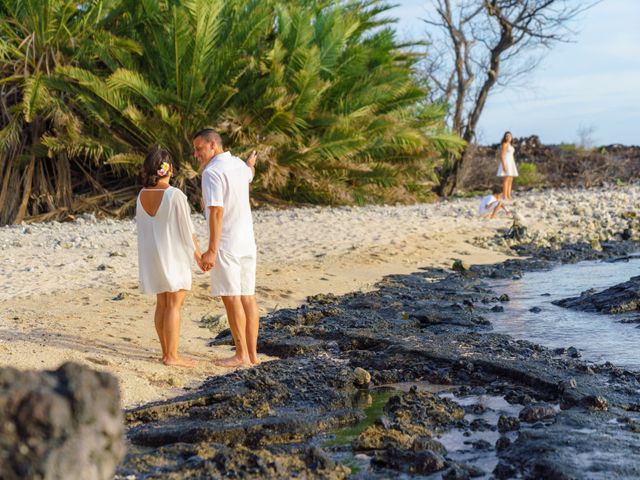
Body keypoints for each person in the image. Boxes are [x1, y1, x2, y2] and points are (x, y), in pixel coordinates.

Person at [192, 128, 260, 367]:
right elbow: (250, 173)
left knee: (232, 300)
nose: (196, 154)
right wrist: (250, 163)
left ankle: (241, 355)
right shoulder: (239, 166)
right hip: (247, 243)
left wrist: (211, 250)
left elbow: (216, 211)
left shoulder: (212, 172)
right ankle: (252, 355)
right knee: (248, 298)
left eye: (199, 148)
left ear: (213, 145)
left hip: (227, 243)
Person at [136, 146, 202, 368]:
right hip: (173, 256)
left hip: (152, 255)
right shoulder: (175, 195)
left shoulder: (142, 195)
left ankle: (166, 352)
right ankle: (172, 356)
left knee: (162, 303)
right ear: (169, 169)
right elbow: (187, 230)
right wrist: (199, 256)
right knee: (174, 305)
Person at [497, 131, 518, 200]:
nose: (508, 137)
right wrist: (504, 165)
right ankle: (505, 196)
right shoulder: (505, 144)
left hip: (511, 162)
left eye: (509, 136)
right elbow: (502, 155)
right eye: (506, 136)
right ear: (504, 137)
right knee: (506, 180)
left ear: (511, 137)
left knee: (510, 179)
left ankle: (509, 195)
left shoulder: (510, 145)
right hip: (506, 162)